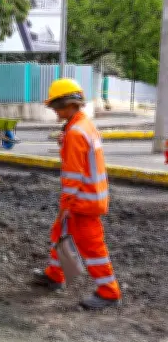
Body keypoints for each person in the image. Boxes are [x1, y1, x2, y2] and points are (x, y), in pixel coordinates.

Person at [32, 79, 122, 309]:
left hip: (83, 202)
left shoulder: (75, 133)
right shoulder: (83, 125)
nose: (54, 111)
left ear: (66, 104)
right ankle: (54, 275)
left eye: (55, 106)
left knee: (92, 247)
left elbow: (73, 176)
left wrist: (65, 206)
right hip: (90, 197)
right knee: (60, 232)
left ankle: (108, 291)